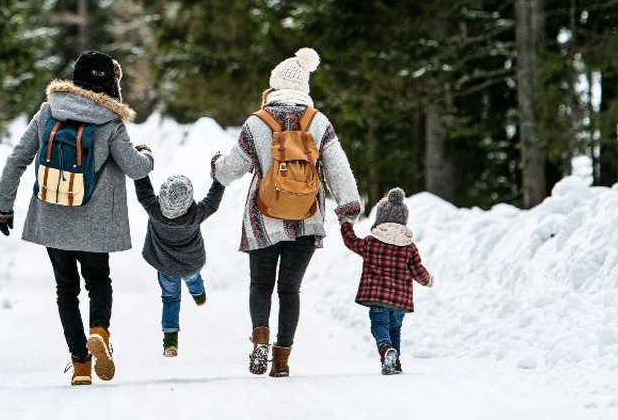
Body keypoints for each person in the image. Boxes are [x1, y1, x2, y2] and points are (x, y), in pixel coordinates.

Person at [0, 51, 155, 386]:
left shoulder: (50, 110)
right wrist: (147, 154)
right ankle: (99, 332)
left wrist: (4, 206)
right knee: (98, 282)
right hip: (96, 224)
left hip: (53, 217)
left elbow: (17, 159)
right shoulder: (110, 121)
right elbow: (135, 168)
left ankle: (80, 365)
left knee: (66, 289)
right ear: (110, 82)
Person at [212, 47, 363, 377]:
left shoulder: (257, 122)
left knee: (261, 285)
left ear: (275, 86)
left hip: (262, 219)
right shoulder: (318, 122)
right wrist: (349, 210)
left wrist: (216, 168)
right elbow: (338, 170)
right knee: (290, 290)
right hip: (307, 218)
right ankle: (281, 361)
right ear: (304, 88)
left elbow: (231, 170)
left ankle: (260, 341)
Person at [339, 187, 433, 375]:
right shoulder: (409, 248)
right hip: (400, 301)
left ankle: (386, 350)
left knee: (379, 327)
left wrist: (346, 223)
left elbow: (351, 241)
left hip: (377, 298)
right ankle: (395, 362)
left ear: (380, 218)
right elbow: (417, 270)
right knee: (395, 329)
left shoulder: (371, 242)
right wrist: (428, 280)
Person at [132, 172, 225, 356]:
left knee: (170, 299)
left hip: (166, 269)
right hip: (192, 264)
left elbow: (144, 191)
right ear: (189, 201)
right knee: (194, 279)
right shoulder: (196, 214)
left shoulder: (154, 210)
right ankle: (199, 295)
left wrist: (140, 164)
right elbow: (212, 202)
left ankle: (170, 342)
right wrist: (219, 178)